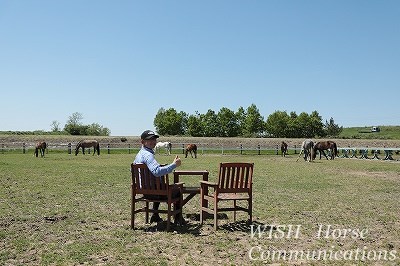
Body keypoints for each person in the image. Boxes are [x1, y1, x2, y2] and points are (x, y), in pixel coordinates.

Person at [133, 130, 184, 224]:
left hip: (142, 189)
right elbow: (156, 172)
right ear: (142, 142)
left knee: (160, 184)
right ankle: (178, 218)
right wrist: (174, 165)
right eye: (149, 140)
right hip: (152, 192)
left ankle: (155, 215)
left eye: (154, 139)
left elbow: (133, 170)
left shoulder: (139, 154)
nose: (153, 141)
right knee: (177, 191)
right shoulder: (148, 155)